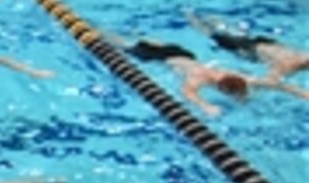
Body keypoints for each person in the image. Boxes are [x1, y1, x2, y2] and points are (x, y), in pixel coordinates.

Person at [115, 36, 309, 117]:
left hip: (185, 54)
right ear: (222, 89)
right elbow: (187, 91)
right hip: (161, 57)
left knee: (144, 41)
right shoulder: (199, 77)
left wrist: (302, 93)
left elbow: (275, 85)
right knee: (122, 44)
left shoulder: (240, 78)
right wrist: (204, 105)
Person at [187, 11, 309, 83]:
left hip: (268, 43)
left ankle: (211, 20)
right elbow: (269, 82)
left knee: (229, 32)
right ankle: (192, 18)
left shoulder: (302, 57)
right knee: (212, 34)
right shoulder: (289, 65)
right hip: (248, 49)